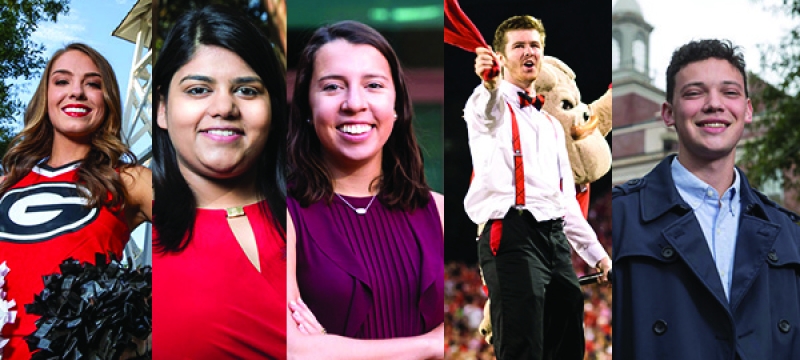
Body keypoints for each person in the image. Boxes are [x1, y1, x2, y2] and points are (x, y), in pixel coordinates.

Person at [613, 39, 800, 359]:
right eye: (695, 92)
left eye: (729, 92)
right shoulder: (623, 216)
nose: (714, 104)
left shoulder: (790, 233)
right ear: (669, 114)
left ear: (748, 110)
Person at [286, 20, 445, 359]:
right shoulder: (279, 216)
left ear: (397, 105)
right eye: (332, 87)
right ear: (307, 108)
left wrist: (331, 347)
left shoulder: (442, 212)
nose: (354, 103)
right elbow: (295, 351)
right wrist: (432, 344)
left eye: (373, 85)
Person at [464, 15, 611, 359]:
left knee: (569, 326)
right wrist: (488, 84)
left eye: (534, 45)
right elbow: (487, 113)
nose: (528, 52)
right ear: (501, 58)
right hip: (510, 233)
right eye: (519, 46)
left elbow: (565, 202)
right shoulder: (487, 103)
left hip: (553, 237)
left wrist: (599, 257)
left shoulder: (549, 125)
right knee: (523, 343)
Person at [150, 5, 287, 359]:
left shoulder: (322, 216)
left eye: (247, 90)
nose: (224, 107)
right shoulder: (143, 227)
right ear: (162, 109)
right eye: (198, 90)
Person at [0, 43, 152, 360]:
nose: (77, 92)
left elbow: (211, 238)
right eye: (62, 81)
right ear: (46, 96)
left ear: (107, 99)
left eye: (93, 84)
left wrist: (142, 325)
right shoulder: (7, 183)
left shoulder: (127, 180)